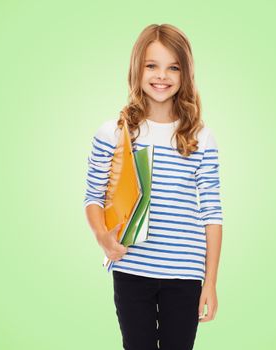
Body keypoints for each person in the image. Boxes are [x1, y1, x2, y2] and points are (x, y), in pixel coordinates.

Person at [83, 23, 223, 350]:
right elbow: (93, 197)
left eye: (173, 67)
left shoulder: (201, 137)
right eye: (152, 66)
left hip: (185, 273)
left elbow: (212, 213)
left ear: (185, 74)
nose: (162, 76)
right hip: (132, 267)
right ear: (137, 69)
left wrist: (210, 282)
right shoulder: (114, 133)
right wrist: (103, 238)